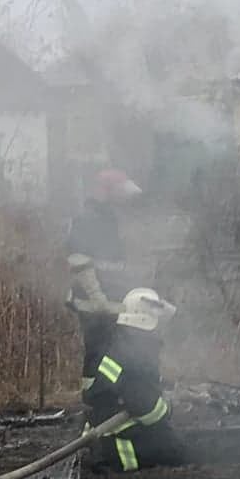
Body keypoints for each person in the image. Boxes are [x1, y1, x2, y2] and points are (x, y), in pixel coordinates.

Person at [83, 287, 185, 472]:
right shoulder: (137, 354)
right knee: (181, 452)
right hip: (121, 446)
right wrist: (167, 407)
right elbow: (147, 409)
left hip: (102, 435)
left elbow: (128, 388)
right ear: (145, 321)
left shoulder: (121, 342)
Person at [66, 169, 142, 396]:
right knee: (97, 353)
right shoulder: (88, 219)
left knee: (111, 354)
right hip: (94, 303)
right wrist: (98, 298)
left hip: (109, 301)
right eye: (120, 193)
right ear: (108, 192)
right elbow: (79, 261)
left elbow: (111, 262)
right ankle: (94, 398)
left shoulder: (107, 217)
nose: (124, 200)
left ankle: (106, 394)